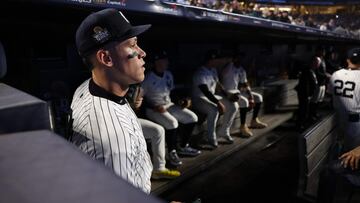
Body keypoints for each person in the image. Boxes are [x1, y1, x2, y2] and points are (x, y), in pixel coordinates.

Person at [70, 8, 152, 193]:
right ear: (106, 58)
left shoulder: (88, 87)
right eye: (132, 45)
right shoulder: (113, 144)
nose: (142, 53)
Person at [141, 50, 201, 166]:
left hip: (168, 105)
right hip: (153, 109)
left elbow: (171, 92)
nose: (165, 63)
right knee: (172, 122)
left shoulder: (168, 74)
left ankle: (183, 146)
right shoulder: (147, 78)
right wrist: (154, 106)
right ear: (156, 62)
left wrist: (181, 101)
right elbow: (140, 99)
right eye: (162, 61)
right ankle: (171, 152)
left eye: (165, 60)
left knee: (192, 117)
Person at [317, 48, 360, 203]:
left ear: (348, 60)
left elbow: (331, 94)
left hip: (340, 121)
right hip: (356, 124)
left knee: (344, 157)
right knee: (349, 160)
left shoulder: (336, 75)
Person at [127, 84, 181, 179]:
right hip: (110, 123)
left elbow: (132, 105)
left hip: (128, 119)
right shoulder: (105, 84)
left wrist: (135, 104)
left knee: (158, 130)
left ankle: (159, 169)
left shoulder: (130, 85)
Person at [192, 49, 240, 148]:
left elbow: (218, 84)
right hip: (199, 98)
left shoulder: (213, 70)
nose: (218, 62)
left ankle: (224, 131)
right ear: (210, 60)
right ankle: (211, 137)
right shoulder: (200, 72)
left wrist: (228, 96)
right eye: (216, 59)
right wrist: (219, 103)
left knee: (234, 106)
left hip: (212, 96)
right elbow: (205, 91)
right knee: (214, 110)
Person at [220, 51, 267, 137]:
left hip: (237, 91)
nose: (240, 60)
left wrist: (251, 97)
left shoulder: (241, 69)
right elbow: (225, 61)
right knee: (244, 101)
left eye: (241, 58)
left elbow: (245, 83)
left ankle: (254, 121)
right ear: (233, 59)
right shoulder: (229, 67)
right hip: (228, 92)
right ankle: (242, 127)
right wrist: (232, 59)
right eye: (238, 58)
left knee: (258, 97)